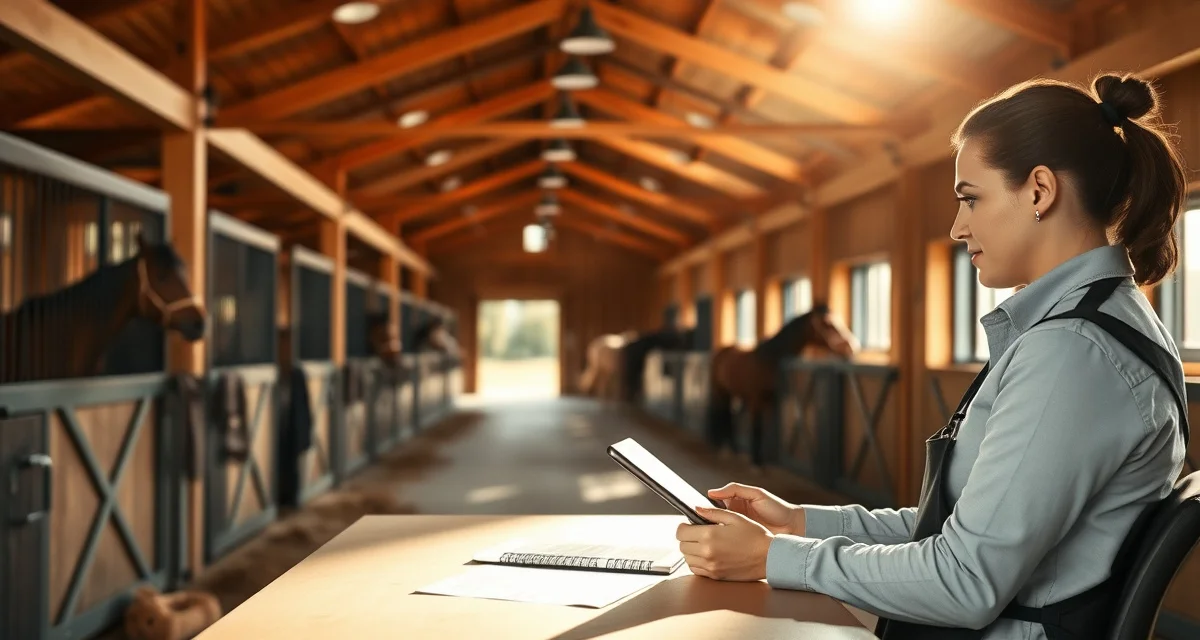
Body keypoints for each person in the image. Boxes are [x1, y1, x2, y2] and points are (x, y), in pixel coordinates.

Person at [675, 72, 1192, 639]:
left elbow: (964, 578)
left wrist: (771, 559)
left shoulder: (1072, 354)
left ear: (1039, 191)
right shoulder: (1084, 328)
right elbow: (956, 531)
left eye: (970, 198)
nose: (956, 226)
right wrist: (798, 521)